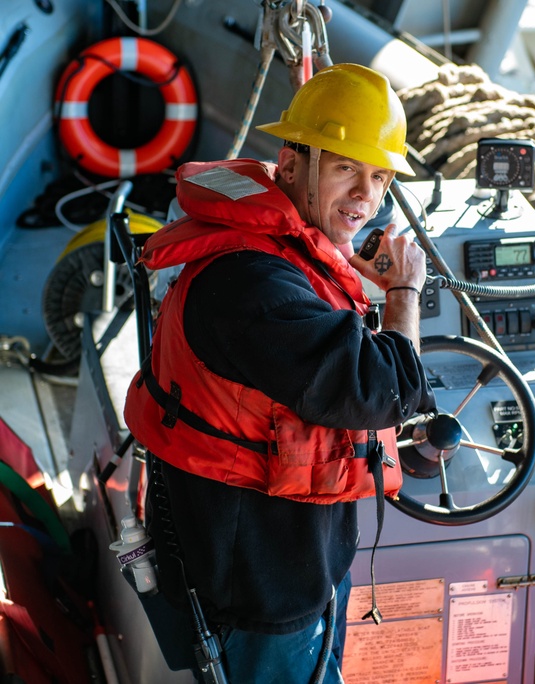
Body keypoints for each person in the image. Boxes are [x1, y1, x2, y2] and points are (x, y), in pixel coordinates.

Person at [123, 63, 435, 683]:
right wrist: (403, 293)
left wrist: (351, 277)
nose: (365, 197)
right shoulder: (252, 283)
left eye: (379, 177)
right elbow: (384, 391)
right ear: (291, 165)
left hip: (287, 566)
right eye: (346, 167)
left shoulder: (281, 254)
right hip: (261, 593)